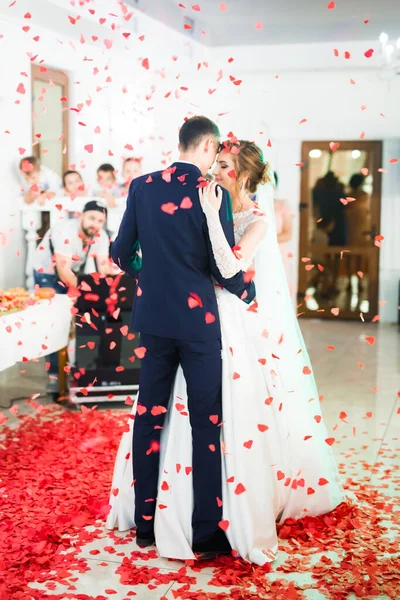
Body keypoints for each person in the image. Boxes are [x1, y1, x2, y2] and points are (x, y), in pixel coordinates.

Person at [107, 130, 344, 564]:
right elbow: (211, 268)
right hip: (199, 322)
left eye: (223, 166)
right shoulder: (201, 198)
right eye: (215, 161)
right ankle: (177, 522)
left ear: (242, 177)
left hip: (220, 325)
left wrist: (161, 265)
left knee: (205, 421)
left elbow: (226, 267)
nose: (214, 170)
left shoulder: (241, 214)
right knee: (187, 421)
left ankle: (184, 521)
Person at [109, 116, 256, 554]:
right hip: (198, 325)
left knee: (148, 418)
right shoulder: (211, 194)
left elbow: (120, 253)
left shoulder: (141, 185)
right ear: (208, 145)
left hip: (154, 320)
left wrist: (149, 275)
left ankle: (146, 525)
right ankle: (206, 534)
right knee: (204, 423)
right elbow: (219, 264)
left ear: (181, 143)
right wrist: (246, 290)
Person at [33, 200, 111, 392]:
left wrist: (113, 290)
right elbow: (64, 272)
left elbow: (104, 269)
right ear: (81, 215)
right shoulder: (64, 231)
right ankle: (54, 375)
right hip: (48, 272)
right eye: (92, 218)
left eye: (101, 221)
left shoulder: (100, 236)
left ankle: (79, 369)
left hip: (72, 273)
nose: (96, 224)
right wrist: (89, 292)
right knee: (55, 321)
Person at [272, 172, 295, 297]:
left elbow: (288, 233)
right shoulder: (252, 205)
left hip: (279, 253)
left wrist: (266, 240)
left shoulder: (283, 205)